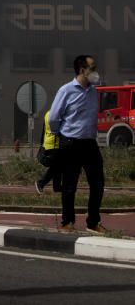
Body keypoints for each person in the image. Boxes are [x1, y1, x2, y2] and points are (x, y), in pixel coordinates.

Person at [49, 55, 106, 234]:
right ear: (82, 70)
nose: (96, 72)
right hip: (71, 143)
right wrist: (61, 135)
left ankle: (93, 222)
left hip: (90, 143)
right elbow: (53, 118)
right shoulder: (66, 90)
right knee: (69, 185)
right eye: (93, 68)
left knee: (97, 183)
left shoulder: (93, 91)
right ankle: (67, 222)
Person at [35, 109, 61, 194]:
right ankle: (41, 183)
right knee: (55, 167)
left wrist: (42, 144)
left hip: (48, 143)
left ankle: (57, 187)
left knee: (57, 166)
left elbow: (44, 129)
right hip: (55, 144)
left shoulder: (47, 114)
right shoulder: (57, 115)